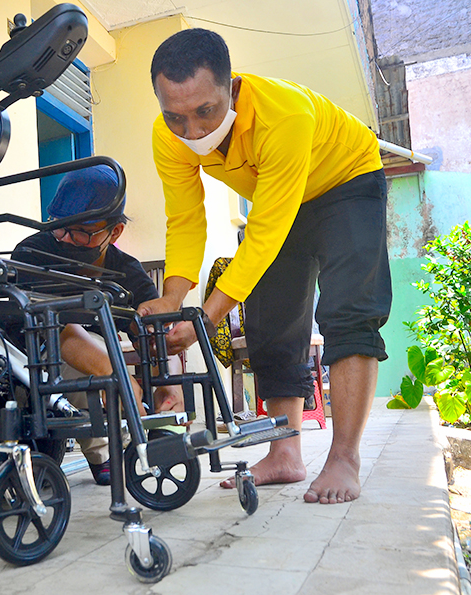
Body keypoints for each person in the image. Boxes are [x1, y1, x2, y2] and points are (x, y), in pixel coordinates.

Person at [139, 29, 391, 504]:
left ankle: (344, 458)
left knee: (349, 310)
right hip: (279, 197)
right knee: (271, 319)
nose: (191, 132)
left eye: (204, 113)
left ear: (231, 87)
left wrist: (204, 318)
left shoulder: (283, 115)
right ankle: (285, 454)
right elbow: (186, 219)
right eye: (175, 117)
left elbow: (263, 237)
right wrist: (174, 300)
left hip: (346, 179)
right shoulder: (166, 135)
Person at [12, 165, 185, 485]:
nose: (64, 237)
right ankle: (105, 452)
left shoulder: (126, 272)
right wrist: (113, 373)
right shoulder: (33, 253)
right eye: (58, 225)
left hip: (83, 348)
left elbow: (157, 335)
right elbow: (61, 335)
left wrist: (168, 379)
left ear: (115, 232)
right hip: (26, 353)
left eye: (79, 230)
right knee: (89, 365)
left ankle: (117, 440)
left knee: (114, 354)